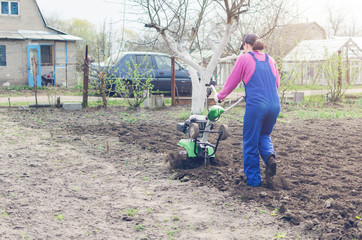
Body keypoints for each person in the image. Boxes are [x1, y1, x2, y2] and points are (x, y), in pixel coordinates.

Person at [215, 33, 280, 187]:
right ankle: (270, 157)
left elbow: (232, 81)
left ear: (245, 45)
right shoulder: (270, 59)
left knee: (250, 141)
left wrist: (220, 96)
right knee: (264, 134)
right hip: (275, 105)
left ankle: (254, 181)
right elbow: (276, 84)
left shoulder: (244, 58)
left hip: (257, 106)